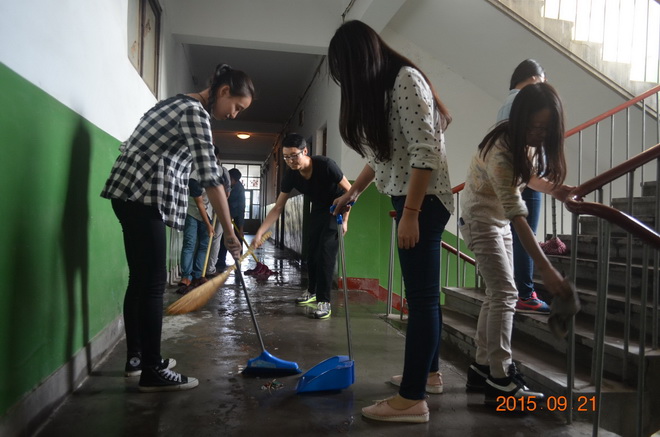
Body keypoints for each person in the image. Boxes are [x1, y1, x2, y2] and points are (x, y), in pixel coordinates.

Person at [328, 20, 454, 423]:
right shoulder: (386, 90)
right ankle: (429, 375)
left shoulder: (405, 80)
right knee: (423, 297)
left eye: (345, 70)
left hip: (424, 201)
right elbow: (382, 156)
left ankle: (412, 400)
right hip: (413, 199)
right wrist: (353, 192)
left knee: (420, 299)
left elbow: (424, 151)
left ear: (360, 60)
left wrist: (411, 214)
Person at [100, 63, 253, 391]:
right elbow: (209, 176)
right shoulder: (194, 113)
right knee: (153, 283)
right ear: (224, 91)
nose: (234, 114)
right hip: (142, 197)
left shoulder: (176, 103)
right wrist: (229, 233)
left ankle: (138, 359)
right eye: (237, 106)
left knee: (140, 280)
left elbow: (204, 167)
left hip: (129, 195)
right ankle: (152, 370)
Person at [460, 83, 574, 405]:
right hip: (482, 220)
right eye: (533, 126)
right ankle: (501, 378)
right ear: (520, 118)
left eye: (545, 128)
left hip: (498, 220)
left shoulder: (528, 144)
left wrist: (557, 189)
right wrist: (545, 268)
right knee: (506, 293)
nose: (538, 134)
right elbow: (518, 216)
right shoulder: (502, 149)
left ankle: (483, 367)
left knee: (497, 294)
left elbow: (529, 178)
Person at [252, 133, 351, 320]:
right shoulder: (291, 175)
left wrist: (345, 220)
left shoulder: (326, 165)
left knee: (325, 253)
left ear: (305, 151)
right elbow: (278, 207)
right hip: (318, 209)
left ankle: (324, 302)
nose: (290, 161)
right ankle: (311, 291)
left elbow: (350, 191)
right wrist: (260, 232)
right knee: (311, 253)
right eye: (286, 157)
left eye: (294, 156)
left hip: (336, 207)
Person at [497, 59, 551, 314]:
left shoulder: (507, 102)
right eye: (542, 82)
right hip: (527, 180)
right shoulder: (522, 102)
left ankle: (518, 290)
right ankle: (526, 293)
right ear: (533, 78)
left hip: (518, 177)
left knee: (515, 237)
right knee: (525, 236)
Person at [177, 167, 215, 290]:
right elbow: (199, 204)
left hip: (208, 212)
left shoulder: (217, 175)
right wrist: (208, 225)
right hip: (192, 211)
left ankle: (199, 275)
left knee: (204, 245)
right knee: (189, 243)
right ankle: (186, 276)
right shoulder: (195, 178)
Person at [217, 168, 246, 270]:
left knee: (238, 237)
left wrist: (241, 228)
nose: (227, 181)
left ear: (234, 180)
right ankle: (221, 260)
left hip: (236, 214)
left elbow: (241, 209)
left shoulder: (240, 189)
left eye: (229, 179)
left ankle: (238, 260)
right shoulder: (224, 185)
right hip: (224, 213)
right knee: (223, 237)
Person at [206, 164, 231, 278]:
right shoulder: (223, 171)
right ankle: (210, 269)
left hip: (205, 207)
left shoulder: (203, 169)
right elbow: (227, 192)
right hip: (217, 207)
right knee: (215, 239)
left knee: (205, 239)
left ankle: (200, 269)